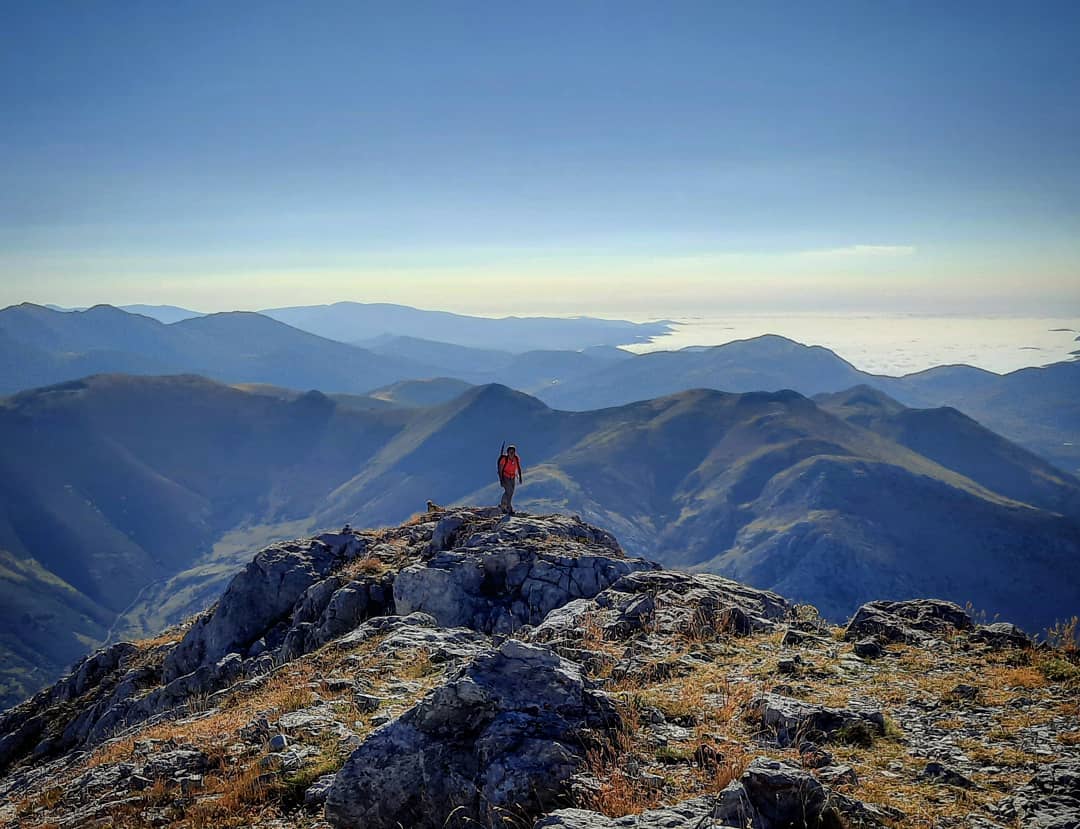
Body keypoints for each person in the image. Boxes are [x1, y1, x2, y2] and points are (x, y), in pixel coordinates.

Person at [497, 444, 524, 515]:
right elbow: (500, 470)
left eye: (513, 452)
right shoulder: (504, 459)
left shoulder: (516, 458)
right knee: (509, 491)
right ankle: (509, 508)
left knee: (510, 492)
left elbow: (518, 467)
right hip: (505, 477)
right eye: (510, 452)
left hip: (512, 477)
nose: (512, 453)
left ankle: (503, 505)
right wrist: (501, 480)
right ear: (507, 452)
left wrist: (520, 477)